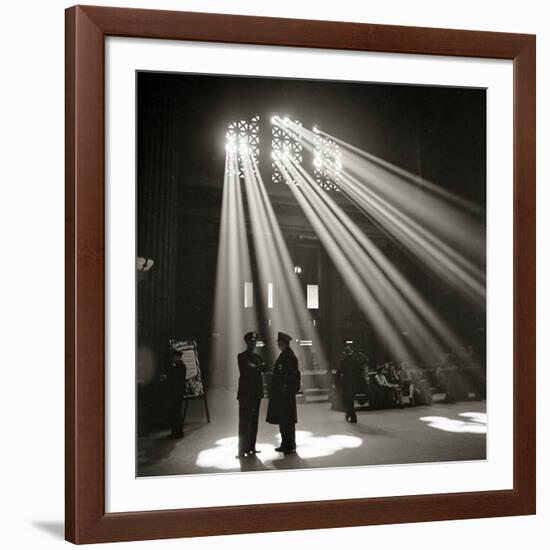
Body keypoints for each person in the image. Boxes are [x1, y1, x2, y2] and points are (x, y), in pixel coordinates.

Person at [266, 332, 301, 455]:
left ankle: (290, 445)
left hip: (286, 395)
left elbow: (292, 377)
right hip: (281, 394)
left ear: (283, 343)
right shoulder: (285, 355)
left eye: (279, 343)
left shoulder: (289, 357)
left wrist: (287, 390)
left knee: (288, 421)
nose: (278, 345)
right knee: (283, 420)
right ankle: (284, 444)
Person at [236, 331, 267, 458]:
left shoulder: (257, 357)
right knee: (244, 421)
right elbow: (245, 371)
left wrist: (255, 367)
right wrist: (257, 367)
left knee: (254, 421)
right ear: (247, 342)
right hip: (245, 394)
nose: (253, 344)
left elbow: (264, 367)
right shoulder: (241, 356)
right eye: (251, 342)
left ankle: (251, 447)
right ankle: (241, 449)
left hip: (256, 393)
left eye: (254, 342)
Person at [164, 349, 187, 439]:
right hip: (176, 392)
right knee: (175, 412)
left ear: (177, 357)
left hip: (177, 392)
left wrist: (167, 377)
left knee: (176, 413)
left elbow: (176, 379)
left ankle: (178, 432)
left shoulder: (180, 366)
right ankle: (176, 432)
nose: (172, 358)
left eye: (174, 357)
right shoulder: (178, 365)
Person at [336, 346, 358, 423]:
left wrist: (337, 382)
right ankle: (350, 415)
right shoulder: (354, 361)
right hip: (353, 383)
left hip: (346, 383)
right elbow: (357, 372)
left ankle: (351, 416)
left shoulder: (343, 361)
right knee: (351, 400)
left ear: (345, 353)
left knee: (348, 400)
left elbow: (338, 373)